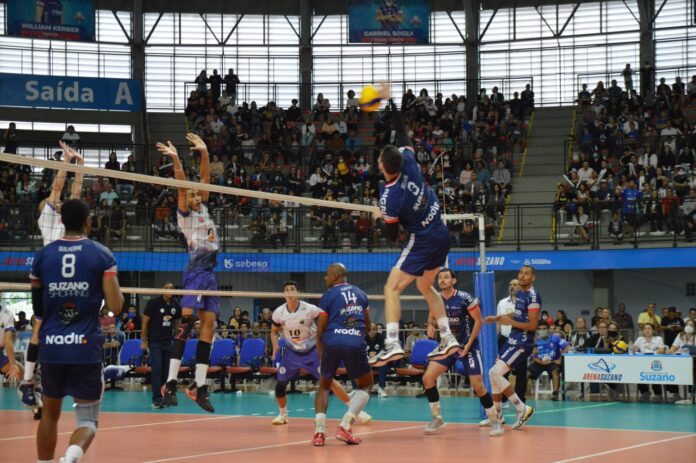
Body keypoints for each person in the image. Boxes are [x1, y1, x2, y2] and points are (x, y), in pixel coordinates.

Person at [31, 198, 124, 463]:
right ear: (88, 222)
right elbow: (116, 307)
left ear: (61, 222)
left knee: (49, 413)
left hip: (52, 345)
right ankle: (69, 458)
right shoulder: (101, 254)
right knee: (87, 420)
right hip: (85, 346)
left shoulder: (43, 256)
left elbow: (38, 308)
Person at [371, 87, 458, 367]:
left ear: (382, 165)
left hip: (421, 239)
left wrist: (378, 218)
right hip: (440, 232)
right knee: (425, 286)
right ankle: (448, 337)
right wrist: (391, 101)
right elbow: (403, 133)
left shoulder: (390, 196)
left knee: (391, 288)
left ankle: (393, 343)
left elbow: (393, 236)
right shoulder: (408, 160)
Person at [157, 133, 220, 413]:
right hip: (195, 273)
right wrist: (176, 160)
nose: (196, 195)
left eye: (197, 194)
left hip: (210, 274)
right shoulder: (184, 214)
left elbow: (204, 180)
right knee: (185, 324)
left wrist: (204, 152)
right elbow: (184, 186)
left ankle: (199, 385)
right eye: (191, 193)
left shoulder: (203, 206)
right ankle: (170, 382)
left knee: (208, 328)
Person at [19, 142, 84, 411]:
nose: (57, 200)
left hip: (67, 281)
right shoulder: (47, 218)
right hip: (49, 276)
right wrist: (65, 162)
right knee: (40, 329)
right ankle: (26, 381)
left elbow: (75, 192)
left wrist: (79, 165)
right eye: (52, 201)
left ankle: (48, 383)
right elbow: (58, 188)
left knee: (59, 332)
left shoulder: (69, 217)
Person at [269, 281, 371, 426]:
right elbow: (273, 331)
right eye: (287, 290)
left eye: (293, 289)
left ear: (298, 293)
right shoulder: (279, 312)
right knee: (280, 384)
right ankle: (283, 415)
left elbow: (326, 316)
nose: (290, 292)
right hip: (291, 352)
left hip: (312, 352)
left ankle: (357, 412)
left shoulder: (309, 309)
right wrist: (275, 347)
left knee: (329, 381)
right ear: (283, 294)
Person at [422, 268, 496, 434]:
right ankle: (437, 418)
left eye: (446, 277)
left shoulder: (465, 298)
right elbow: (432, 316)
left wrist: (468, 346)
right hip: (447, 346)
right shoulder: (436, 298)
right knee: (428, 378)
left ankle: (494, 420)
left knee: (478, 386)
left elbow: (478, 321)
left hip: (467, 346)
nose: (442, 280)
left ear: (453, 281)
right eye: (440, 278)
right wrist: (430, 326)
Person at [313, 264, 372, 447]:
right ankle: (345, 425)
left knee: (324, 385)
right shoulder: (362, 294)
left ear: (336, 275)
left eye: (327, 275)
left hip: (332, 341)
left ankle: (319, 432)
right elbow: (368, 326)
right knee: (366, 385)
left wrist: (320, 349)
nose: (325, 278)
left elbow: (321, 327)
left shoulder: (328, 295)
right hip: (354, 341)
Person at [484, 265, 539, 437]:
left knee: (494, 374)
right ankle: (498, 420)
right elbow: (517, 317)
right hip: (512, 340)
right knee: (494, 376)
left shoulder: (532, 295)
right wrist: (498, 318)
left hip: (522, 343)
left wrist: (509, 323)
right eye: (521, 273)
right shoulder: (521, 294)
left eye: (527, 273)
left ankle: (521, 408)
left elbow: (532, 325)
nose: (523, 276)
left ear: (533, 278)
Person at [141, 283, 181, 409]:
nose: (170, 290)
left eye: (172, 288)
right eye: (167, 288)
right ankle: (156, 399)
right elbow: (145, 322)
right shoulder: (153, 303)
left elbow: (177, 322)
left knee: (167, 372)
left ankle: (165, 396)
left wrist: (177, 337)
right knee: (157, 370)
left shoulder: (176, 304)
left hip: (168, 342)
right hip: (155, 342)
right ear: (162, 290)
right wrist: (144, 341)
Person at [528, 320, 569, 401]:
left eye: (544, 328)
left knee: (555, 371)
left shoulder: (555, 338)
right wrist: (542, 362)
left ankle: (555, 394)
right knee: (526, 373)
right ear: (537, 330)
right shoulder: (535, 341)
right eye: (540, 329)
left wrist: (559, 358)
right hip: (539, 362)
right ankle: (522, 394)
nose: (542, 330)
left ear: (548, 329)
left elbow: (567, 347)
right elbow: (533, 356)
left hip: (552, 362)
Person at [631, 323, 665, 402]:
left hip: (656, 363)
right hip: (642, 363)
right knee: (637, 373)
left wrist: (651, 351)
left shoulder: (658, 339)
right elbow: (632, 350)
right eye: (645, 329)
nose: (647, 330)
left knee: (655, 375)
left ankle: (658, 394)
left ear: (653, 330)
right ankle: (645, 393)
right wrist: (633, 349)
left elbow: (661, 350)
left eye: (649, 328)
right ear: (643, 331)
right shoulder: (640, 339)